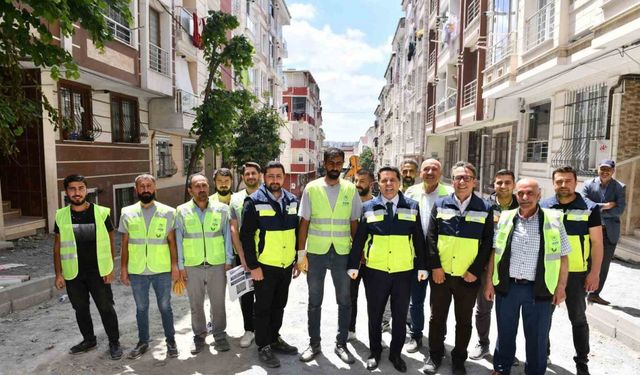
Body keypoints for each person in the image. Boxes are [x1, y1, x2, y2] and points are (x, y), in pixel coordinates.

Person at [485, 178, 571, 375]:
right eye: (521, 193)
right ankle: (501, 368)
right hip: (509, 287)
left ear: (539, 195)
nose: (525, 197)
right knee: (505, 332)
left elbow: (563, 257)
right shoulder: (506, 218)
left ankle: (535, 371)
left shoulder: (554, 220)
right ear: (516, 195)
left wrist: (560, 287)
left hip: (539, 289)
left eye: (530, 193)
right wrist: (489, 282)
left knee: (537, 337)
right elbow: (494, 253)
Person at [348, 166, 427, 372]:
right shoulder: (368, 207)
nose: (389, 184)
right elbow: (360, 240)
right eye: (384, 181)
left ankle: (395, 354)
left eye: (392, 180)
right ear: (378, 184)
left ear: (399, 182)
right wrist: (353, 265)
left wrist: (422, 266)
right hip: (375, 271)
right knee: (374, 315)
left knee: (400, 317)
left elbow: (418, 239)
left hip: (403, 272)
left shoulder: (411, 206)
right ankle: (375, 352)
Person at [423, 161, 494, 375]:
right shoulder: (442, 203)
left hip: (468, 277)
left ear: (474, 181)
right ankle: (434, 356)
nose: (462, 181)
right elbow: (431, 237)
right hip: (441, 275)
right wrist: (435, 267)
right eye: (458, 177)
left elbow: (487, 243)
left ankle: (458, 360)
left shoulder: (485, 208)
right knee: (437, 319)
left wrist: (474, 270)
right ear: (452, 180)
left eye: (467, 178)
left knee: (464, 321)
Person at [297, 147, 362, 364]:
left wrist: (357, 254)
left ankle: (341, 344)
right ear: (324, 164)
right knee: (315, 300)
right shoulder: (312, 188)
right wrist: (300, 253)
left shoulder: (350, 189)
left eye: (338, 163)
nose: (335, 166)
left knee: (344, 300)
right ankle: (314, 344)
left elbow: (354, 223)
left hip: (342, 252)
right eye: (331, 162)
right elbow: (304, 222)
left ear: (343, 164)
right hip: (316, 252)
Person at [541, 166, 603, 375]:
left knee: (577, 319)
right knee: (543, 317)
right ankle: (543, 353)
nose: (563, 185)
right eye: (559, 181)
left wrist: (595, 273)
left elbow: (597, 243)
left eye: (568, 181)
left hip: (577, 273)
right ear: (553, 183)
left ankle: (582, 362)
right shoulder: (544, 206)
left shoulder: (590, 207)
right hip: (550, 271)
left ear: (575, 182)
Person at [53, 174, 121, 359]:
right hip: (73, 272)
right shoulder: (61, 216)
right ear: (66, 192)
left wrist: (110, 268)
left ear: (86, 190)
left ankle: (114, 342)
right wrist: (58, 273)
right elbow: (58, 245)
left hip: (98, 271)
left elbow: (109, 239)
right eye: (72, 189)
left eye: (81, 188)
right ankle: (89, 340)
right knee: (80, 309)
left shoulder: (101, 213)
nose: (77, 192)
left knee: (106, 307)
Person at [240, 161, 300, 368]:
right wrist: (253, 266)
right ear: (264, 178)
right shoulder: (254, 201)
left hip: (285, 266)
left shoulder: (293, 201)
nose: (275, 180)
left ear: (284, 178)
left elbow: (295, 233)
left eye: (278, 176)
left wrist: (296, 260)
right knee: (263, 308)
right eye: (271, 176)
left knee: (279, 305)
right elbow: (246, 237)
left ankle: (274, 338)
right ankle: (263, 345)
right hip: (264, 267)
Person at [119, 174, 179, 360]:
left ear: (155, 188)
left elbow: (172, 242)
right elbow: (125, 242)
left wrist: (175, 266)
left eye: (149, 186)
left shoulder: (168, 212)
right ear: (136, 189)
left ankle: (171, 341)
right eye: (142, 186)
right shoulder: (127, 212)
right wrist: (123, 269)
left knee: (165, 307)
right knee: (141, 308)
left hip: (161, 269)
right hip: (137, 270)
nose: (145, 189)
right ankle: (143, 341)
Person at [175, 173, 234, 354]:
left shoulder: (222, 209)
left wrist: (228, 259)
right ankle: (199, 336)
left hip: (217, 264)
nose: (201, 189)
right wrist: (181, 266)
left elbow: (227, 236)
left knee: (218, 303)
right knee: (195, 303)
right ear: (190, 190)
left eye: (204, 185)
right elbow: (179, 238)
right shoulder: (181, 211)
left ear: (209, 187)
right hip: (193, 265)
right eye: (197, 186)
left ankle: (219, 334)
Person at [470, 169, 519, 361]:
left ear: (514, 185)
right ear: (494, 185)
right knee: (483, 309)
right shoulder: (485, 207)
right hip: (486, 267)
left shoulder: (523, 206)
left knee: (508, 312)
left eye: (508, 182)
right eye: (499, 183)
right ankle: (483, 343)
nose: (503, 186)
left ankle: (506, 350)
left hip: (514, 268)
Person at [403, 159, 451, 353]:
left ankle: (439, 338)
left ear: (441, 172)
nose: (430, 172)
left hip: (441, 257)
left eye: (435, 169)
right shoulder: (410, 192)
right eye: (426, 169)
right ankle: (416, 335)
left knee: (439, 302)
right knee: (416, 300)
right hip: (416, 255)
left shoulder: (449, 193)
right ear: (420, 173)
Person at [580, 159, 626, 305]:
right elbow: (583, 204)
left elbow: (619, 210)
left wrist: (597, 211)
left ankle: (594, 294)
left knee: (603, 265)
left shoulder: (619, 187)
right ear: (597, 170)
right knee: (585, 261)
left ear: (613, 171)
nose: (605, 172)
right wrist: (605, 206)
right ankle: (580, 291)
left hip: (608, 232)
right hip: (589, 230)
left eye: (608, 169)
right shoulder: (588, 184)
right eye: (602, 169)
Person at [229, 162, 262, 348]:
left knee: (265, 296)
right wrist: (242, 256)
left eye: (253, 173)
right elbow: (234, 228)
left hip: (266, 255)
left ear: (260, 175)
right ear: (243, 177)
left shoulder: (268, 195)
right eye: (247, 174)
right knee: (246, 295)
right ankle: (249, 330)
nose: (250, 176)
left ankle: (266, 331)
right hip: (243, 256)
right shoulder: (235, 199)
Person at [348, 168, 375, 342]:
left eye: (362, 181)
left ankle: (376, 335)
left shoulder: (377, 205)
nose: (358, 185)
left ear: (371, 184)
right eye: (356, 181)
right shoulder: (349, 204)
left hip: (373, 261)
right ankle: (350, 330)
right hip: (352, 261)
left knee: (375, 300)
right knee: (350, 297)